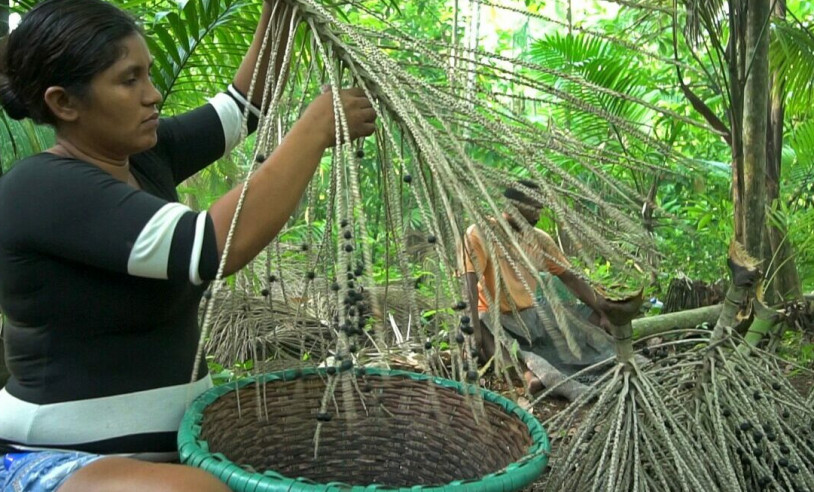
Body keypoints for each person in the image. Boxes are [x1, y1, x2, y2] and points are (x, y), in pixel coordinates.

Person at [0, 0, 376, 490]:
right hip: (53, 460)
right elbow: (212, 247)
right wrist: (313, 130)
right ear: (63, 103)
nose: (153, 95)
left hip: (178, 450)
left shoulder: (144, 156)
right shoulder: (41, 187)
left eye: (149, 75)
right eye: (128, 79)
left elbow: (245, 107)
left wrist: (281, 9)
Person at [461, 181, 637, 401]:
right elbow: (468, 282)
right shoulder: (480, 233)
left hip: (531, 316)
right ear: (512, 206)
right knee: (496, 338)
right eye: (534, 208)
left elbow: (571, 278)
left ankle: (607, 362)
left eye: (541, 208)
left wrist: (601, 312)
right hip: (494, 317)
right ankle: (530, 376)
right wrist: (473, 331)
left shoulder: (540, 240)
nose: (538, 215)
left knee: (579, 323)